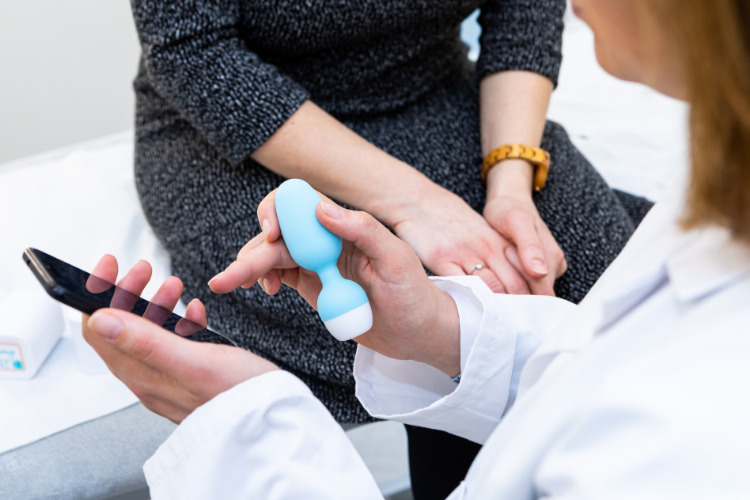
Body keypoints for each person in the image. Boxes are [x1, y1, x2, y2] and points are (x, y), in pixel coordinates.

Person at [89, 0, 750, 496]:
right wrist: (438, 331)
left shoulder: (684, 433)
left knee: (562, 264)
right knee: (470, 288)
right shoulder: (714, 208)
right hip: (240, 137)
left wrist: (249, 425)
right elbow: (192, 51)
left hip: (433, 92)